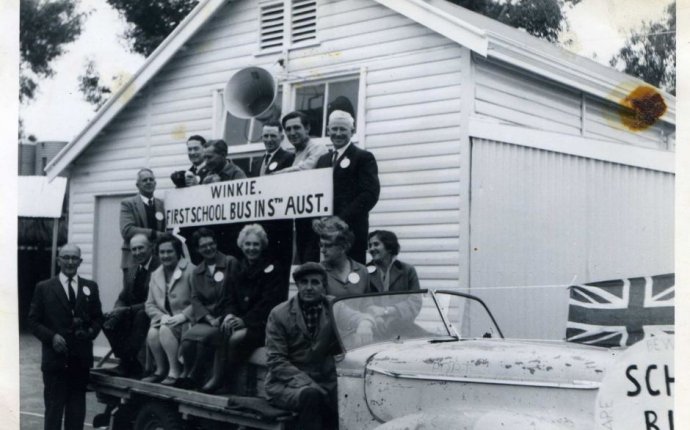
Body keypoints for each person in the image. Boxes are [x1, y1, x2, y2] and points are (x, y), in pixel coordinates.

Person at [264, 262, 374, 430]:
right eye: (304, 282)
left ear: (324, 286)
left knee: (352, 395)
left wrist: (365, 324)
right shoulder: (279, 314)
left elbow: (358, 317)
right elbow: (276, 361)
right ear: (298, 285)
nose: (309, 287)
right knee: (312, 396)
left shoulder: (332, 306)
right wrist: (308, 383)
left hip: (324, 380)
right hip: (285, 384)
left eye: (315, 282)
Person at [202, 224, 288, 393]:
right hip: (238, 320)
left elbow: (269, 303)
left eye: (255, 244)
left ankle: (225, 380)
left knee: (236, 338)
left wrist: (244, 320)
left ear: (262, 245)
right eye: (247, 244)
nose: (251, 248)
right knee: (220, 331)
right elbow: (228, 298)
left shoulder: (272, 269)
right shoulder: (237, 267)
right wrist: (229, 315)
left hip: (262, 324)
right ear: (241, 245)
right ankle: (215, 378)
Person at [28, 244, 103, 430]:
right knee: (53, 412)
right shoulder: (44, 288)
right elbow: (33, 321)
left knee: (76, 414)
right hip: (55, 362)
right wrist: (51, 338)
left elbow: (98, 318)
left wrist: (90, 333)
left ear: (80, 261)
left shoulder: (90, 287)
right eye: (66, 257)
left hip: (80, 362)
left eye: (74, 258)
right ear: (58, 260)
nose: (70, 262)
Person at [315, 110, 380, 264]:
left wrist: (340, 219)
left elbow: (369, 194)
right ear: (328, 130)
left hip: (351, 233)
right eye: (334, 129)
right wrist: (317, 219)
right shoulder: (323, 160)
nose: (338, 133)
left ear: (352, 131)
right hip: (325, 236)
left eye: (343, 129)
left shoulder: (363, 157)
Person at [179, 228, 238, 389]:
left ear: (216, 244)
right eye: (203, 246)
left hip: (225, 317)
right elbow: (195, 299)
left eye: (211, 244)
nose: (209, 248)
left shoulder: (230, 262)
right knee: (187, 341)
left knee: (205, 339)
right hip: (208, 319)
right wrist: (208, 318)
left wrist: (225, 316)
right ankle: (187, 373)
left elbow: (235, 294)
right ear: (198, 249)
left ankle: (194, 376)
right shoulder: (197, 271)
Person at [102, 233, 160, 377]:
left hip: (154, 312)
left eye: (141, 248)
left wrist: (126, 310)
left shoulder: (159, 267)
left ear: (151, 247)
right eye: (134, 249)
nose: (137, 253)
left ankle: (130, 365)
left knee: (141, 315)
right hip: (133, 312)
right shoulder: (132, 268)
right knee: (104, 319)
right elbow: (123, 296)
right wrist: (116, 310)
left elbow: (155, 301)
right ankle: (128, 363)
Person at [275, 111, 329, 263]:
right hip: (301, 217)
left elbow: (304, 169)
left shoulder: (318, 148)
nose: (292, 133)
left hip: (316, 217)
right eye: (288, 129)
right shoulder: (296, 153)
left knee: (312, 261)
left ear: (307, 128)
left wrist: (275, 175)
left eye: (296, 127)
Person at [143, 234, 195, 385]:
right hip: (167, 320)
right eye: (162, 252)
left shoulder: (191, 270)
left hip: (187, 322)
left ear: (178, 252)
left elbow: (199, 300)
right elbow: (149, 304)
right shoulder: (156, 274)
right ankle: (160, 370)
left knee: (165, 329)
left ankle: (175, 371)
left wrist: (184, 316)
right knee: (153, 332)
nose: (165, 256)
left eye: (169, 251)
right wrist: (161, 316)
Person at [248, 122, 295, 270]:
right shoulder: (256, 162)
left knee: (278, 267)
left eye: (273, 136)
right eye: (265, 136)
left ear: (281, 137)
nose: (269, 139)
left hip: (279, 225)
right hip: (259, 225)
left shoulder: (289, 158)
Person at [366, 230, 423, 335]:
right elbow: (361, 303)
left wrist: (388, 311)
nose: (371, 249)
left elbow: (415, 302)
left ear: (389, 247)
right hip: (374, 328)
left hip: (403, 327)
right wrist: (376, 317)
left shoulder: (407, 270)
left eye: (376, 244)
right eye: (369, 245)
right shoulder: (364, 271)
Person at [314, 216, 373, 297]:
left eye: (328, 245)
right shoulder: (317, 271)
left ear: (343, 247)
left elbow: (367, 304)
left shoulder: (362, 271)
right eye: (321, 245)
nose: (322, 250)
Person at [119, 168, 166, 269]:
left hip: (157, 258)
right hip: (135, 257)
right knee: (134, 284)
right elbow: (127, 230)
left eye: (151, 179)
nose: (148, 182)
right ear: (138, 185)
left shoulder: (162, 204)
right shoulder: (128, 203)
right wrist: (154, 233)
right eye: (144, 180)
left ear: (155, 183)